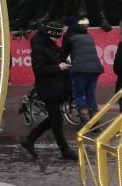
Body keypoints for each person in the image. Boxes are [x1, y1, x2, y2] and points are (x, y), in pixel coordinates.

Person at [20, 23, 76, 161]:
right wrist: (58, 67)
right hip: (48, 87)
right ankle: (64, 148)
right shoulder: (39, 49)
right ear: (49, 34)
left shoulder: (50, 46)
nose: (57, 40)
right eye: (54, 37)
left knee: (55, 118)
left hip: (56, 87)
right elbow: (39, 70)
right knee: (56, 118)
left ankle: (30, 139)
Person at [61, 20, 104, 120]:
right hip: (96, 68)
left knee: (78, 93)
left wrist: (60, 62)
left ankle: (85, 117)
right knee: (90, 94)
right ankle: (95, 121)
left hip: (80, 69)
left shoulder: (69, 37)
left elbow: (63, 54)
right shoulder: (89, 37)